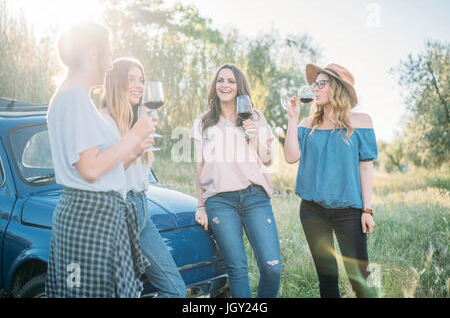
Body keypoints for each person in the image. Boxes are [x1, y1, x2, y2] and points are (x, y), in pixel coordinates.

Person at [45, 22, 156, 297]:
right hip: (89, 218)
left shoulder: (75, 97)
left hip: (96, 216)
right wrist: (133, 135)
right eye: (109, 54)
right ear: (93, 53)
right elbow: (90, 169)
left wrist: (132, 150)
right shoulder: (75, 98)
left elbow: (101, 165)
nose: (110, 65)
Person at [284, 63, 379, 298]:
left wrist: (367, 210)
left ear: (336, 87)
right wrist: (293, 119)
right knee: (327, 279)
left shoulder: (361, 121)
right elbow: (290, 156)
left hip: (349, 210)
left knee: (360, 278)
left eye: (321, 84)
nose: (314, 89)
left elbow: (366, 167)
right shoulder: (308, 125)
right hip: (312, 211)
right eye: (314, 84)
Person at [191, 63, 282, 298]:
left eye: (231, 81)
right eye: (220, 80)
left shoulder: (255, 117)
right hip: (220, 201)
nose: (225, 85)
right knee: (237, 269)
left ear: (239, 86)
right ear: (215, 85)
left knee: (272, 268)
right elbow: (200, 166)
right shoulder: (203, 122)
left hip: (255, 198)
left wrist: (254, 137)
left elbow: (268, 159)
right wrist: (201, 205)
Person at [100, 57, 186, 297]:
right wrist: (136, 146)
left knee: (175, 289)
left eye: (141, 80)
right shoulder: (104, 122)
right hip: (117, 212)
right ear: (116, 83)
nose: (138, 85)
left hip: (141, 209)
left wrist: (145, 133)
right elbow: (105, 174)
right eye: (131, 79)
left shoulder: (136, 120)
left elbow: (141, 169)